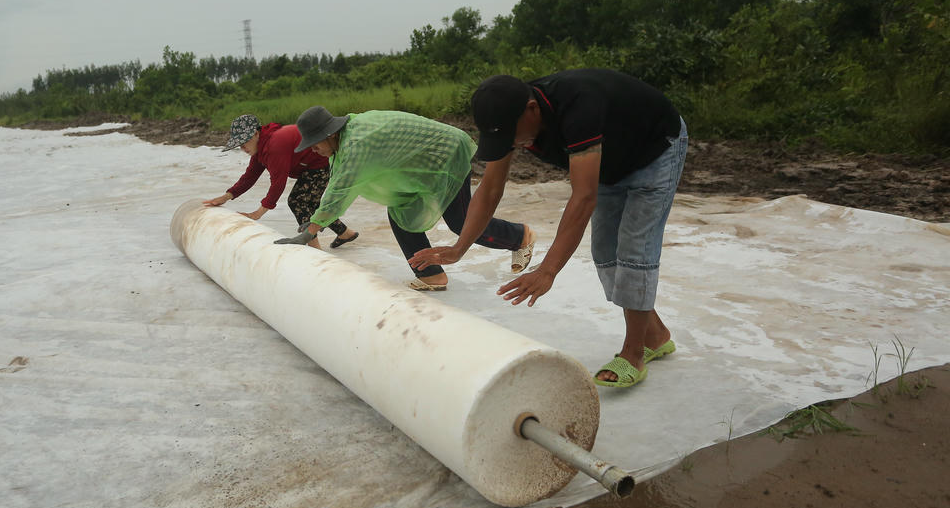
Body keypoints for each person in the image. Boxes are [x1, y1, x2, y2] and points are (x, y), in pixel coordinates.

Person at [408, 69, 688, 388]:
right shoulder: (511, 119)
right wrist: (460, 247)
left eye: (511, 135)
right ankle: (655, 334)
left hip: (655, 151)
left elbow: (583, 197)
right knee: (606, 253)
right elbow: (489, 190)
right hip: (609, 162)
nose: (511, 144)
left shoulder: (578, 106)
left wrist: (548, 270)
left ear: (532, 109)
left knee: (634, 250)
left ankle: (634, 353)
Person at [274, 106, 536, 291]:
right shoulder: (345, 138)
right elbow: (336, 181)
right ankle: (432, 275)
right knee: (400, 212)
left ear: (330, 134)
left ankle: (519, 236)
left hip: (445, 156)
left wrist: (311, 230)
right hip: (419, 169)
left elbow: (339, 190)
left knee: (461, 223)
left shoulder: (356, 143)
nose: (313, 150)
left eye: (315, 143)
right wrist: (314, 225)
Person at [204, 114, 358, 250]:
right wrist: (225, 197)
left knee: (297, 201)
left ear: (256, 133)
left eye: (244, 141)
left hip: (320, 160)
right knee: (311, 204)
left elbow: (278, 182)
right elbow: (249, 177)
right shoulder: (261, 148)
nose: (242, 147)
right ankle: (345, 233)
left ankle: (315, 249)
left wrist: (258, 213)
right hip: (309, 165)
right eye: (239, 144)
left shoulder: (274, 144)